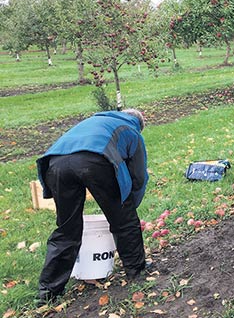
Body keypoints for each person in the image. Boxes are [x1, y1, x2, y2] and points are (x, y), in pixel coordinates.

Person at [36, 109, 150, 304]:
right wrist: (130, 205)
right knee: (123, 221)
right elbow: (139, 177)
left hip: (55, 164)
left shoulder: (95, 121)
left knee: (66, 229)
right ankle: (136, 271)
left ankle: (47, 292)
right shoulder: (132, 131)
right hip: (96, 160)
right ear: (139, 124)